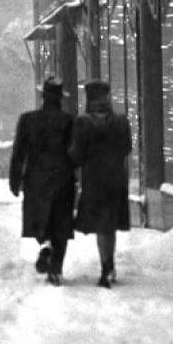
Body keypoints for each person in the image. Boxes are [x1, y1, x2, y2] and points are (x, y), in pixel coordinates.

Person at [9, 76, 76, 286]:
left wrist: (15, 178)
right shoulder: (69, 121)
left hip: (36, 181)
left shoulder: (28, 120)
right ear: (60, 98)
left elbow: (19, 152)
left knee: (40, 220)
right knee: (61, 224)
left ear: (43, 96)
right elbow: (75, 153)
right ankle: (55, 269)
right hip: (63, 179)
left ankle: (45, 244)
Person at [68, 79, 132, 288]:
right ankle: (109, 264)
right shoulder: (121, 121)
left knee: (102, 225)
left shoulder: (83, 123)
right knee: (109, 224)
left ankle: (106, 267)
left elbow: (77, 155)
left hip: (95, 180)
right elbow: (126, 148)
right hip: (116, 178)